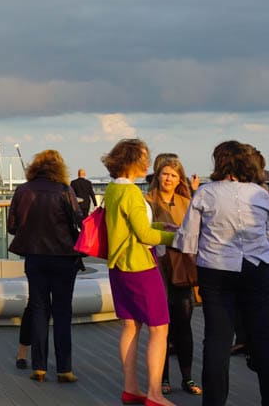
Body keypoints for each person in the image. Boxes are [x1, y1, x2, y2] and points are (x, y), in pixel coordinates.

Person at [174, 141, 269, 406]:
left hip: (215, 270)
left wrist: (201, 263)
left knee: (217, 341)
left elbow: (188, 243)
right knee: (263, 339)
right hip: (256, 269)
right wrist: (268, 274)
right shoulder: (260, 194)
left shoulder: (205, 193)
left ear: (219, 162)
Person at [102, 138, 176, 406]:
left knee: (130, 325)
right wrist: (174, 238)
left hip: (118, 265)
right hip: (139, 265)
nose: (148, 163)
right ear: (132, 161)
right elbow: (143, 233)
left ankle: (131, 387)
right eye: (144, 157)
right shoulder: (132, 192)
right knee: (159, 328)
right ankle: (155, 394)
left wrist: (160, 227)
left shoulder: (112, 190)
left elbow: (131, 224)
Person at [6, 149, 82, 383]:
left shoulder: (23, 190)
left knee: (39, 310)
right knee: (62, 311)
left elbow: (12, 227)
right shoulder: (64, 190)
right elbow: (78, 221)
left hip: (35, 258)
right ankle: (64, 369)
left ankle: (39, 367)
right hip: (63, 258)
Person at [146, 156, 201, 396]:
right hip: (156, 268)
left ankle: (187, 377)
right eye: (165, 173)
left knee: (184, 324)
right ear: (158, 175)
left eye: (173, 175)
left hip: (181, 269)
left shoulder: (186, 202)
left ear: (180, 179)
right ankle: (163, 378)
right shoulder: (147, 201)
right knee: (161, 327)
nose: (168, 178)